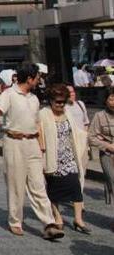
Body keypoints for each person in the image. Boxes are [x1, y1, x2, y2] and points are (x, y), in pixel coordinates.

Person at [0, 63, 63, 239]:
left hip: (32, 142)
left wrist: (41, 146)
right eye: (37, 77)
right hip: (14, 142)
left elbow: (37, 123)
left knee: (38, 185)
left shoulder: (34, 99)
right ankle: (15, 221)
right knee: (16, 184)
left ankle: (49, 223)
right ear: (30, 78)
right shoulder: (9, 94)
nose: (39, 80)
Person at [39, 84, 90, 234]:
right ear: (51, 101)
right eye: (57, 102)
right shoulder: (43, 114)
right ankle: (58, 217)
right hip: (53, 157)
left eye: (63, 101)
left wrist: (86, 141)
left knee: (76, 187)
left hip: (69, 157)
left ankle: (78, 219)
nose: (60, 104)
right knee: (54, 190)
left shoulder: (67, 113)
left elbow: (75, 132)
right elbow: (39, 133)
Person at [88, 89, 114, 209]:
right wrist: (107, 146)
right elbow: (91, 137)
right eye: (111, 99)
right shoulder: (99, 116)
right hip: (107, 155)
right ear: (106, 100)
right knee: (112, 181)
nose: (113, 102)